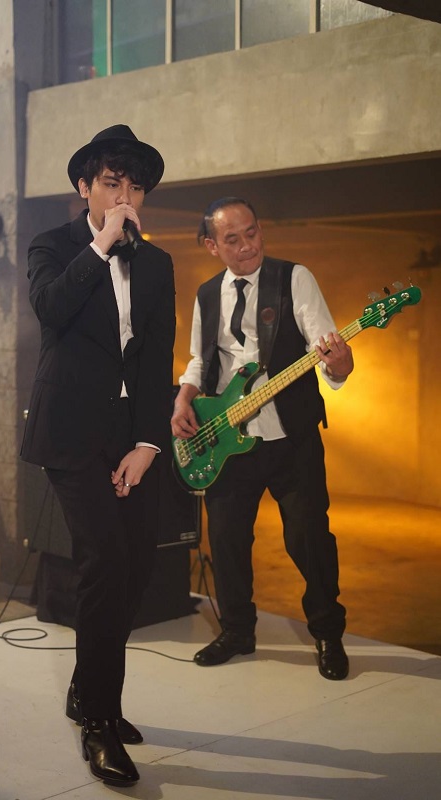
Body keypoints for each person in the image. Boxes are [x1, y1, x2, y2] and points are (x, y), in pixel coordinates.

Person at [21, 125, 175, 787]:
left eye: (134, 186)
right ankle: (100, 720)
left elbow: (156, 360)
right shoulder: (53, 246)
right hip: (70, 431)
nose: (124, 196)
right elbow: (51, 309)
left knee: (137, 565)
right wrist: (101, 243)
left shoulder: (157, 264)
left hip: (129, 430)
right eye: (112, 183)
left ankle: (87, 687)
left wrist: (148, 443)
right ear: (84, 186)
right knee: (104, 561)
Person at [171, 197, 354, 681]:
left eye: (252, 232)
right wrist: (183, 399)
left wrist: (340, 366)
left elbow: (327, 348)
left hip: (291, 436)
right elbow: (199, 360)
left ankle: (327, 633)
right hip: (228, 440)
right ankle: (237, 632)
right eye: (232, 239)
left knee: (309, 539)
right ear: (212, 246)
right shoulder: (207, 295)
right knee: (227, 541)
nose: (247, 245)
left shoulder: (294, 279)